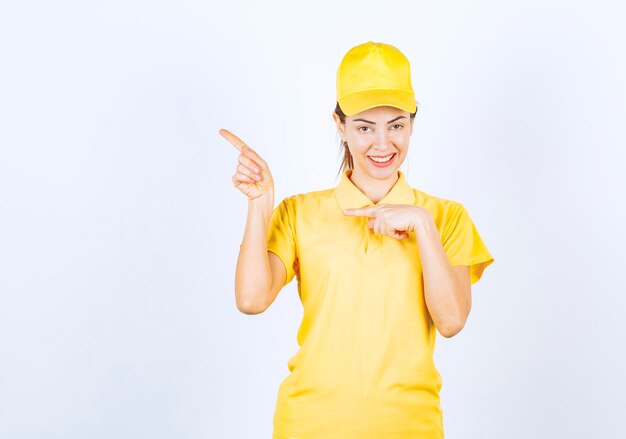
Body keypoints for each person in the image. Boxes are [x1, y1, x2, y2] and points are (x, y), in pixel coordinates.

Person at [220, 41, 494, 439]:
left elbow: (451, 321)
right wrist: (261, 203)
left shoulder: (445, 217)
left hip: (411, 429)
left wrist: (421, 224)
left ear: (412, 124)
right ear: (340, 126)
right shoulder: (300, 213)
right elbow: (251, 299)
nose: (383, 144)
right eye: (365, 127)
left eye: (396, 124)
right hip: (308, 426)